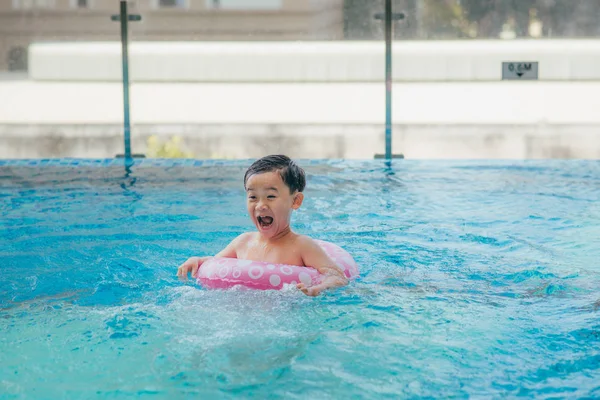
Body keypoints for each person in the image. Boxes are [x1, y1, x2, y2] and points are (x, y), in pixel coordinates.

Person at [177, 155, 348, 296]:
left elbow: (336, 276)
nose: (260, 205)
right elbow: (215, 263)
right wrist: (198, 261)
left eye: (271, 197)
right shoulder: (243, 242)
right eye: (253, 197)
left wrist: (317, 289)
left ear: (295, 201)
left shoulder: (302, 246)